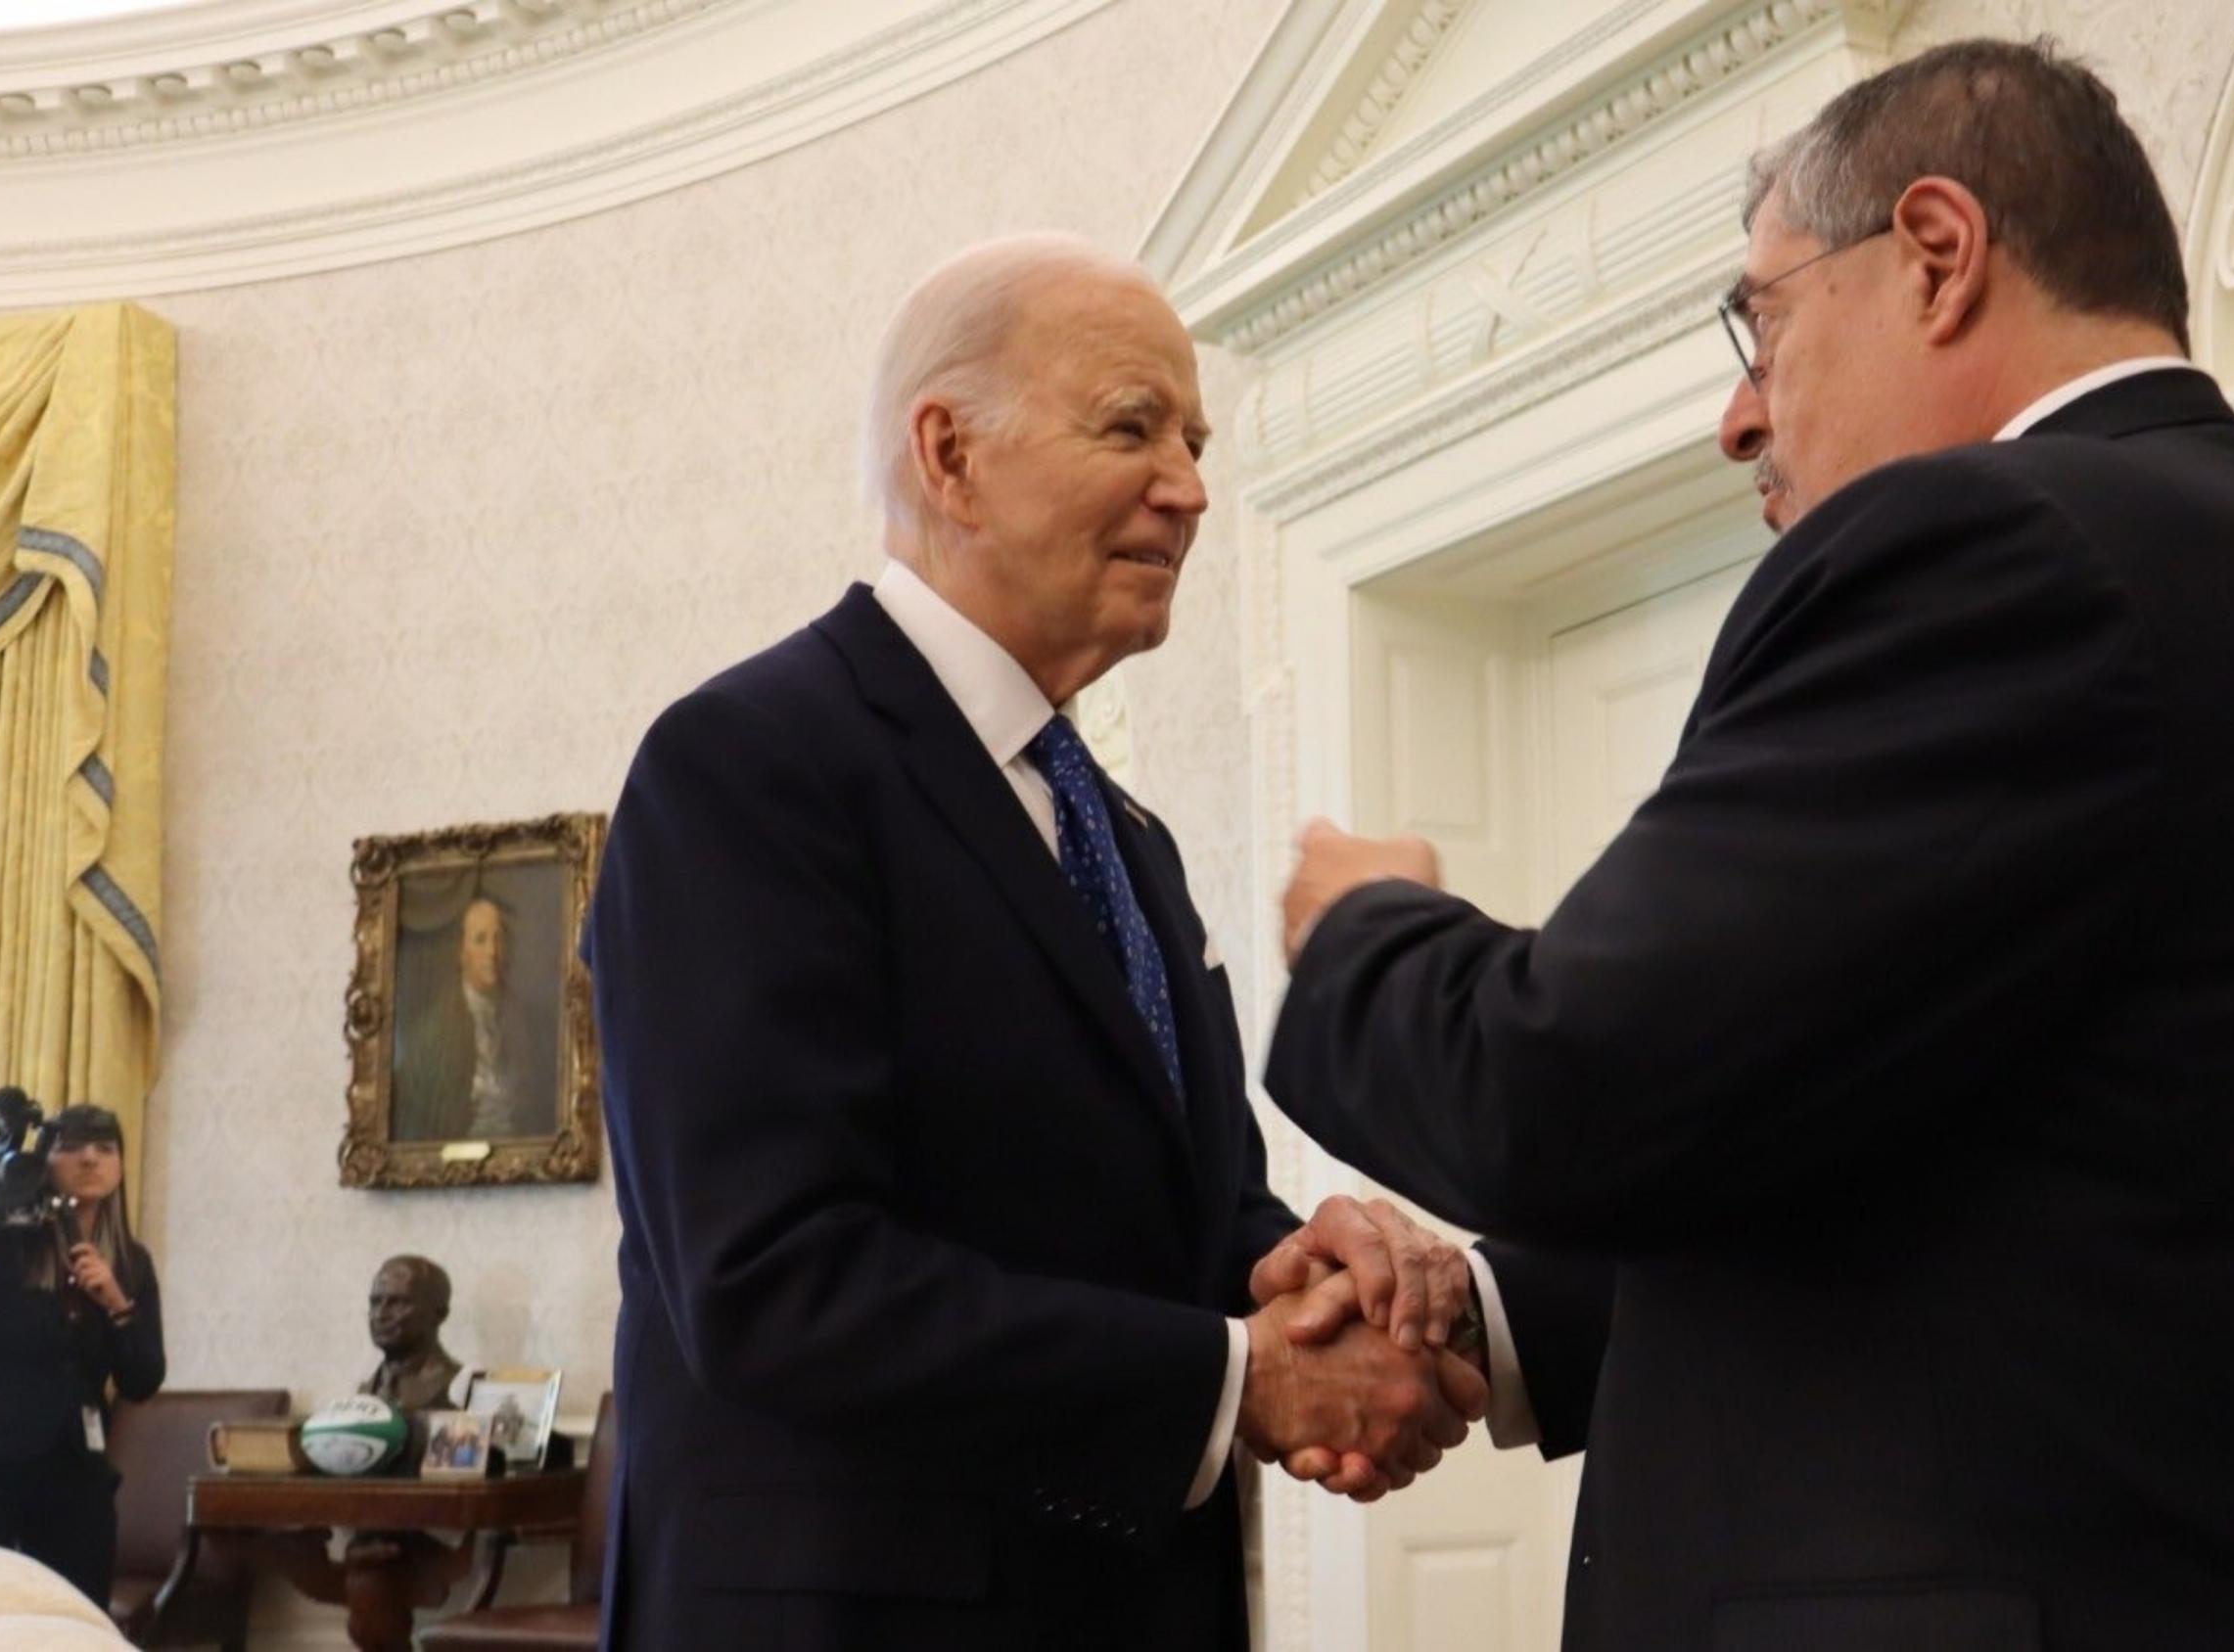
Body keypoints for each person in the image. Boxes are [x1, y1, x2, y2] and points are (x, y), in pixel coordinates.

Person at [1261, 39, 2234, 1651]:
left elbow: (1572, 1085)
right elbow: (1941, 1148)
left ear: (1937, 254)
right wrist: (1489, 1307)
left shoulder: (2007, 539)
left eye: (1767, 321)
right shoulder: (2223, 544)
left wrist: (1367, 923)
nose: (1741, 418)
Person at [584, 233, 1479, 1649]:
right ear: (947, 456)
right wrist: (1245, 1383)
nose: (1189, 489)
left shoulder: (1124, 836)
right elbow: (775, 1283)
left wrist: (1311, 1270)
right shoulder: (749, 764)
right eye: (1131, 428)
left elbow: (1180, 1212)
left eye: (1193, 440)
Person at [0, 1102, 163, 1605]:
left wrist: (115, 1304)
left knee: (70, 1627)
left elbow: (143, 1379)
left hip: (73, 1479)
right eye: (69, 1147)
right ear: (42, 1162)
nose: (89, 1159)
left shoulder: (130, 1261)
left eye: (105, 1148)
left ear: (121, 1167)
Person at [393, 895, 555, 1141]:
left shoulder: (524, 1019)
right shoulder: (434, 1030)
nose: (492, 951)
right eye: (480, 940)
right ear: (461, 952)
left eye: (497, 938)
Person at [359, 1255, 462, 1413]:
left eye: (398, 1303)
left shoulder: (459, 1386)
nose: (380, 1315)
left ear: (439, 1313)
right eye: (375, 1302)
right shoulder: (365, 1393)